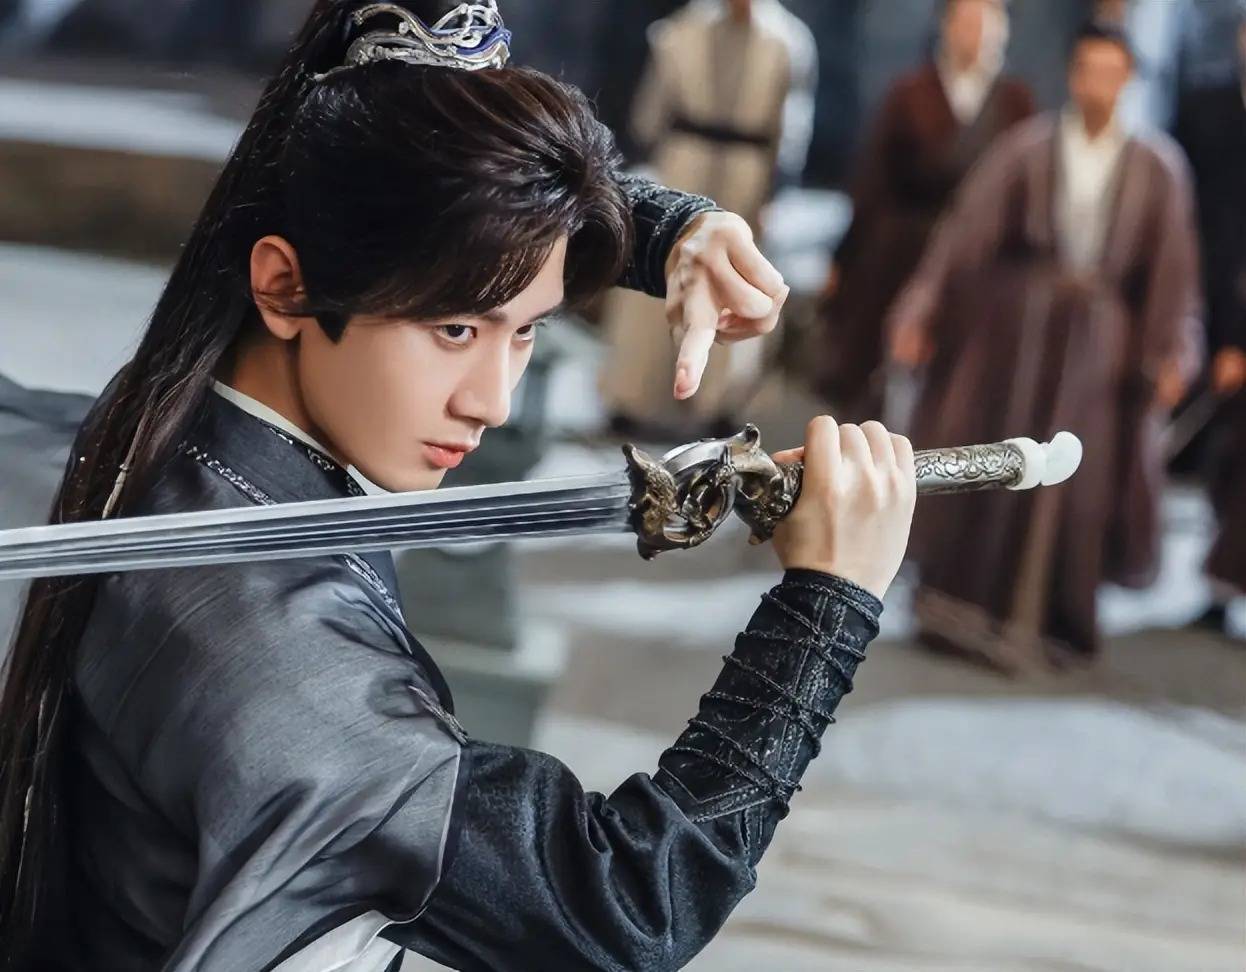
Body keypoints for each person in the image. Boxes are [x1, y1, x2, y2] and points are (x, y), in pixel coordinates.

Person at [0, 2, 917, 969]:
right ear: (284, 286)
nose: (490, 400)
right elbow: (627, 903)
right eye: (454, 331)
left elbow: (399, 123)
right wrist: (825, 607)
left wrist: (664, 230)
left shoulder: (177, 421)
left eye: (526, 332)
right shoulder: (287, 668)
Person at [887, 21, 1202, 671]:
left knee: (1078, 484)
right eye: (1089, 69)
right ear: (1072, 74)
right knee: (1001, 463)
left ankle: (1054, 624)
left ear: (1129, 80)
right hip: (1017, 342)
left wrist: (1173, 351)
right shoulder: (1026, 149)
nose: (1098, 84)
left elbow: (1174, 273)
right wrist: (922, 309)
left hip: (1101, 352)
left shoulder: (1157, 167)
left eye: (1112, 72)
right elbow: (963, 237)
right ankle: (963, 613)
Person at [600, 0, 816, 439]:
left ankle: (720, 403)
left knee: (735, 277)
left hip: (747, 174)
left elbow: (792, 127)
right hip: (685, 158)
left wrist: (775, 190)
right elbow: (651, 112)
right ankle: (631, 396)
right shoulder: (681, 29)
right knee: (659, 265)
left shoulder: (788, 42)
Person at [819, 0, 1033, 422]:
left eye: (985, 23)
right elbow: (873, 183)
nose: (975, 33)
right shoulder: (909, 93)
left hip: (978, 260)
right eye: (966, 21)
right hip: (903, 247)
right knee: (880, 374)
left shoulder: (1015, 102)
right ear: (946, 26)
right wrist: (843, 257)